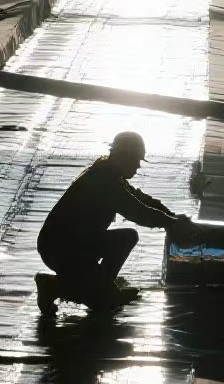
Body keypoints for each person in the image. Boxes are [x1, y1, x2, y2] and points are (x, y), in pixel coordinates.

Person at [36, 130, 190, 309]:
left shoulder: (109, 174)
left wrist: (170, 216)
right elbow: (137, 211)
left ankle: (102, 288)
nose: (138, 167)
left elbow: (140, 199)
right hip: (62, 249)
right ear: (124, 157)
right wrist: (171, 222)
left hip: (73, 243)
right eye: (136, 161)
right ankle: (53, 286)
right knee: (124, 242)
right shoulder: (105, 180)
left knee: (123, 243)